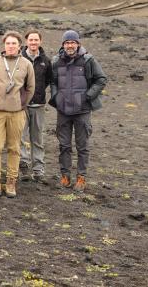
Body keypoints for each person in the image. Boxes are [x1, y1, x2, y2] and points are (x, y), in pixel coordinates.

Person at [49, 30, 107, 192]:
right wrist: (55, 97)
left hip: (82, 111)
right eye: (67, 43)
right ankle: (65, 176)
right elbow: (53, 81)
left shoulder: (88, 60)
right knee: (64, 145)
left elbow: (101, 79)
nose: (70, 45)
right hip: (63, 111)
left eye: (73, 42)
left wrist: (88, 96)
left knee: (82, 146)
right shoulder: (56, 61)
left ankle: (81, 177)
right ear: (63, 45)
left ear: (78, 44)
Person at [0, 31, 35, 197]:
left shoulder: (27, 64)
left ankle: (11, 182)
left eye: (14, 43)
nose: (11, 46)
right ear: (4, 45)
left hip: (17, 113)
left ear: (19, 45)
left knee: (14, 148)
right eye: (8, 43)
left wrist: (21, 104)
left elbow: (30, 88)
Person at [19, 29, 53, 183]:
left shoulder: (46, 61)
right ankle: (24, 166)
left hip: (38, 105)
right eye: (31, 40)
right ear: (26, 41)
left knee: (37, 138)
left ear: (40, 41)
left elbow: (48, 80)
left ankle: (38, 169)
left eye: (36, 40)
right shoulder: (19, 58)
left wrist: (38, 93)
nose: (33, 42)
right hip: (22, 105)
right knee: (20, 136)